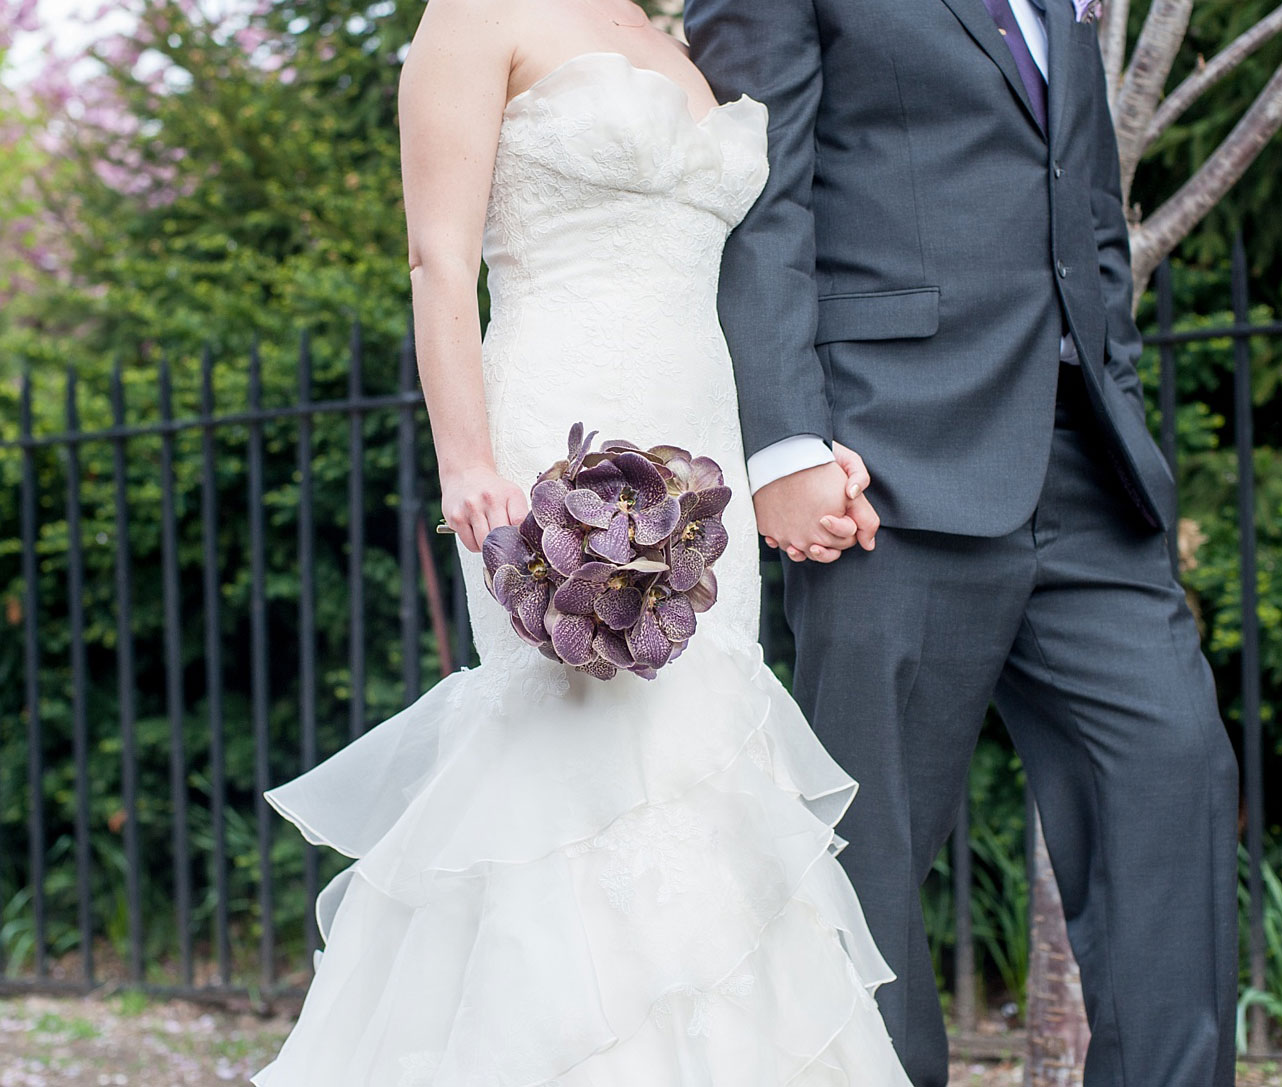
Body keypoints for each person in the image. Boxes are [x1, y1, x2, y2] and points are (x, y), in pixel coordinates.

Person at [250, 0, 913, 1082]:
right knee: (578, 755)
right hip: (559, 435)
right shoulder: (474, 15)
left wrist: (789, 456)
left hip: (699, 446)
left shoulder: (682, 35)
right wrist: (467, 457)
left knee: (704, 757)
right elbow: (436, 259)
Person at [682, 0, 1241, 1085]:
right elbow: (755, 191)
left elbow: (1082, 204)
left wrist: (1112, 388)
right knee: (868, 861)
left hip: (1084, 471)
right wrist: (784, 440)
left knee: (1173, 775)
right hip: (881, 467)